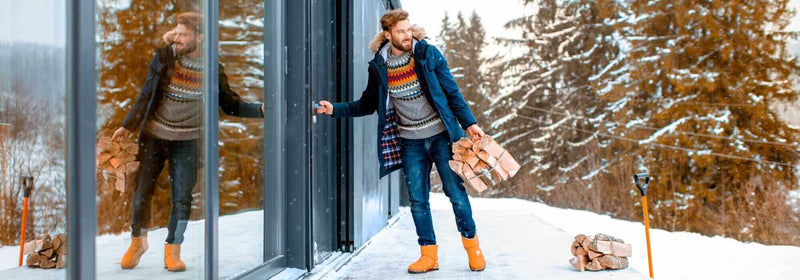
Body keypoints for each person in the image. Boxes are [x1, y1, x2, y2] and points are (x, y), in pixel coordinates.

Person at [316, 9, 487, 274]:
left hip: (441, 137)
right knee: (418, 201)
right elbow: (367, 103)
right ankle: (429, 255)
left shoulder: (427, 54)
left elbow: (452, 92)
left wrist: (470, 123)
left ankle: (472, 248)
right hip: (410, 143)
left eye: (409, 29)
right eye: (400, 32)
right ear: (388, 34)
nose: (407, 35)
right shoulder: (380, 66)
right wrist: (334, 109)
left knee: (456, 194)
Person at [112, 11, 264, 272]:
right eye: (176, 33)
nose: (177, 38)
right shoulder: (164, 57)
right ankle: (138, 242)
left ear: (200, 37)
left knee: (182, 198)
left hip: (188, 140)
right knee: (141, 193)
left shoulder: (212, 68)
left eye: (183, 34)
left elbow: (230, 104)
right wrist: (127, 125)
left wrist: (262, 109)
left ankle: (173, 250)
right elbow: (145, 94)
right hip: (154, 135)